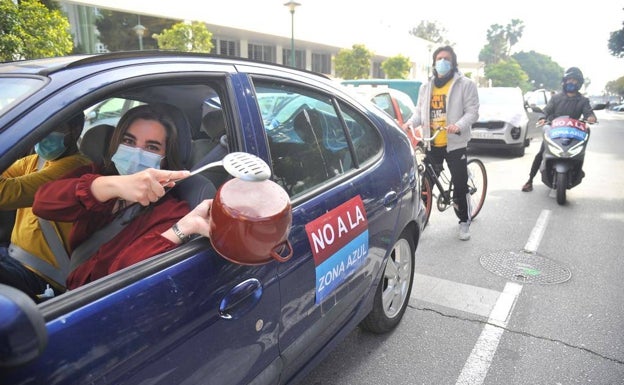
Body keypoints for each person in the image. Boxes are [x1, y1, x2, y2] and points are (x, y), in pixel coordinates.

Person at [33, 104, 213, 290]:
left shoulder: (169, 212)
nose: (136, 154)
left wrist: (179, 230)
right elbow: (42, 203)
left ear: (165, 158)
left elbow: (121, 277)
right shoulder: (96, 174)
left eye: (152, 147)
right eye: (128, 141)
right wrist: (112, 186)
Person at [0, 113, 92, 301]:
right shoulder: (35, 161)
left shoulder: (76, 168)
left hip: (43, 277)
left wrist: (15, 144)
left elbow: (5, 193)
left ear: (74, 131)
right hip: (13, 256)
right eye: (40, 127)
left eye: (52, 128)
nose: (42, 134)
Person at [403, 45, 479, 241]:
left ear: (453, 63)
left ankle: (464, 221)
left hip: (455, 142)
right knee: (426, 183)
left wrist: (458, 125)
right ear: (434, 63)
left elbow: (472, 112)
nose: (442, 62)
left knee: (460, 186)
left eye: (446, 58)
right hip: (432, 142)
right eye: (439, 59)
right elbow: (419, 113)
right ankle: (422, 217)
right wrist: (410, 123)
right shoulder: (425, 87)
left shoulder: (465, 84)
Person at [521, 67, 597, 192]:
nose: (571, 83)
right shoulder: (556, 98)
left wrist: (591, 117)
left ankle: (576, 171)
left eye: (574, 81)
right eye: (569, 80)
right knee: (541, 153)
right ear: (565, 81)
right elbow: (546, 111)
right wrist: (542, 118)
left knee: (580, 153)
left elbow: (589, 113)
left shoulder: (583, 101)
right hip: (554, 131)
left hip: (574, 133)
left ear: (579, 84)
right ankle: (530, 180)